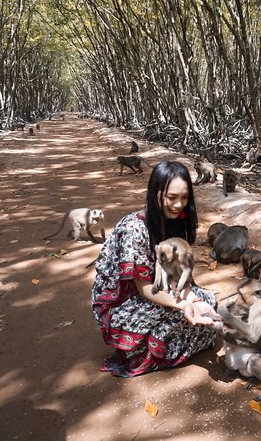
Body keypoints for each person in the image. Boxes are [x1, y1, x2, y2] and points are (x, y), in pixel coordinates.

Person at [91, 160, 218, 377]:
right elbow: (144, 288)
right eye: (172, 197)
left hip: (163, 286)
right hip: (127, 299)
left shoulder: (177, 220)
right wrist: (183, 305)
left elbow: (183, 275)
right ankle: (140, 348)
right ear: (155, 193)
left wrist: (191, 300)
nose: (179, 205)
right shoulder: (134, 228)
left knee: (208, 302)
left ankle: (166, 340)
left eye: (185, 198)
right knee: (181, 311)